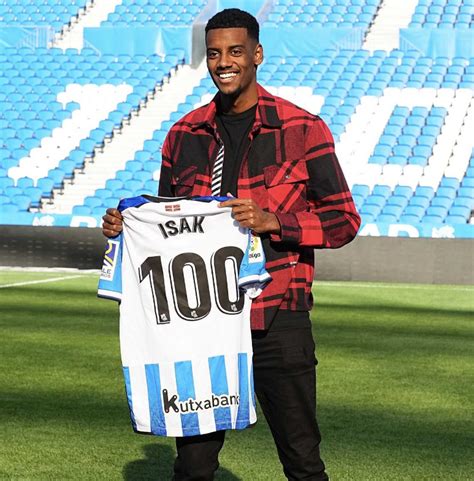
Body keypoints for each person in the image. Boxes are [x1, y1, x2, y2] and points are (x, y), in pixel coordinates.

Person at [102, 8, 360, 481]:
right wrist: (128, 226)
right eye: (215, 53)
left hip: (278, 316)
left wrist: (274, 221)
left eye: (235, 51)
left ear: (257, 55)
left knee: (302, 462)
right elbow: (168, 223)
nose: (224, 62)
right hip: (201, 324)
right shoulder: (183, 134)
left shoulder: (303, 129)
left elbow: (343, 221)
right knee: (193, 468)